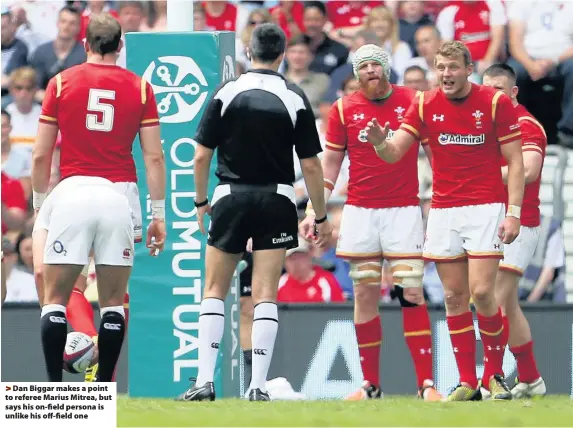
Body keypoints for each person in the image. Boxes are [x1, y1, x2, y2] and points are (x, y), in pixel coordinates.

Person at [176, 23, 331, 402]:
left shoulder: (227, 92)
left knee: (213, 290)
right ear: (281, 56)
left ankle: (203, 382)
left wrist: (200, 202)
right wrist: (321, 215)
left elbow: (200, 154)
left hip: (230, 195)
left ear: (249, 51)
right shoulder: (293, 96)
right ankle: (258, 386)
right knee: (265, 294)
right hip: (277, 198)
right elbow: (311, 165)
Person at [364, 40, 525, 401]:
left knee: (483, 293)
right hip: (444, 209)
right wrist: (378, 141)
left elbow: (515, 161)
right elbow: (393, 152)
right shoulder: (423, 103)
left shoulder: (495, 102)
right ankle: (468, 381)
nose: (446, 74)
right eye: (441, 67)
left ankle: (495, 375)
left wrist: (513, 212)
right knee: (454, 296)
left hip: (485, 207)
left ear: (469, 69)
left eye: (453, 67)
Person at [299, 44, 441, 401]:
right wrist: (316, 207)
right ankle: (371, 384)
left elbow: (433, 152)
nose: (370, 71)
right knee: (364, 293)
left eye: (376, 65)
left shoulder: (413, 100)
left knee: (410, 291)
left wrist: (443, 193)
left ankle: (425, 382)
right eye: (363, 67)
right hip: (361, 212)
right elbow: (330, 163)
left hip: (404, 210)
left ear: (387, 68)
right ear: (356, 74)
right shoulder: (344, 109)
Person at [31, 13, 166, 383]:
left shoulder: (61, 83)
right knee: (114, 300)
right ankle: (104, 385)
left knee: (53, 292)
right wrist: (158, 213)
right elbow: (154, 156)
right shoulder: (140, 88)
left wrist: (41, 202)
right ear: (120, 46)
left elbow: (41, 154)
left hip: (73, 189)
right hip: (120, 194)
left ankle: (55, 389)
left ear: (84, 44)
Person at [482, 63, 547, 398]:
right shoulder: (486, 124)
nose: (491, 95)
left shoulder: (526, 125)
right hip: (492, 219)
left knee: (493, 298)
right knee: (507, 303)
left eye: (498, 89)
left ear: (513, 92)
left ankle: (489, 378)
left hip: (521, 222)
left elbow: (531, 170)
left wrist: (479, 170)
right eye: (486, 88)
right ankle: (532, 378)